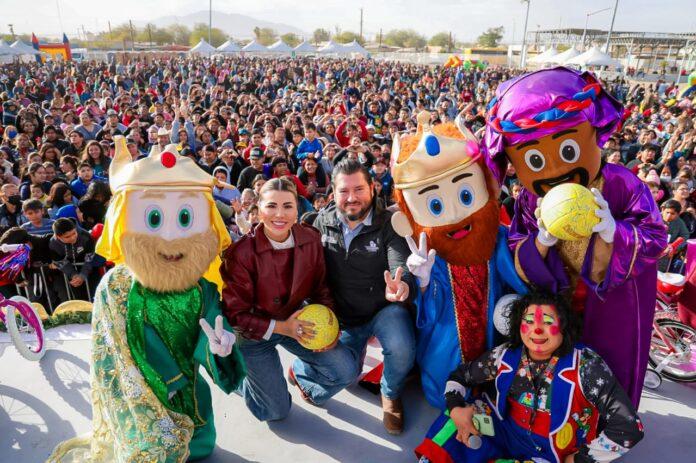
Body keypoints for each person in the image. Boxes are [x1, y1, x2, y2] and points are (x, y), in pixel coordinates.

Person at [48, 137, 245, 462]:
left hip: (191, 399)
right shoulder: (117, 287)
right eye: (154, 219)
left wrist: (220, 350)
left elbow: (212, 330)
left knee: (201, 446)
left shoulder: (202, 289)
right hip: (138, 399)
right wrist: (162, 381)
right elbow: (108, 352)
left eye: (184, 219)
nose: (169, 236)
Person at [484, 67, 667, 407]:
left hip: (611, 303)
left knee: (610, 367)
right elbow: (515, 248)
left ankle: (606, 426)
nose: (555, 170)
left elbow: (656, 237)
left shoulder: (622, 184)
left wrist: (617, 232)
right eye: (534, 160)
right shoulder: (528, 199)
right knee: (557, 371)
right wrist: (541, 241)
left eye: (568, 151)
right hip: (559, 301)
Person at [416, 292, 644, 463]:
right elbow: (460, 376)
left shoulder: (586, 364)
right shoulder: (506, 354)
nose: (536, 331)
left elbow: (630, 428)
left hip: (550, 451)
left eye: (547, 322)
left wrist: (581, 459)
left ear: (564, 327)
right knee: (451, 422)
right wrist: (456, 408)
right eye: (529, 322)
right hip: (505, 432)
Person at [221, 177, 357, 422]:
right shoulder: (240, 253)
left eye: (288, 206)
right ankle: (242, 380)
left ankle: (302, 377)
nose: (280, 214)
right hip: (253, 335)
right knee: (275, 412)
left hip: (297, 321)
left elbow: (321, 288)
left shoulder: (311, 239)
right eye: (271, 206)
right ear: (258, 209)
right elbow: (235, 314)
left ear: (298, 209)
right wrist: (282, 327)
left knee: (346, 370)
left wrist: (328, 326)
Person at [312, 158, 417, 434]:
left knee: (402, 344)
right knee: (343, 377)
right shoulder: (321, 222)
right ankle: (304, 372)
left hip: (383, 310)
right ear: (332, 193)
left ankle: (391, 394)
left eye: (359, 189)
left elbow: (400, 264)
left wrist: (402, 284)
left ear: (373, 188)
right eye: (344, 191)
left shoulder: (389, 223)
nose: (351, 198)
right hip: (344, 317)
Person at [48, 218, 98, 302]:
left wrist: (83, 275)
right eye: (67, 237)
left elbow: (90, 257)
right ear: (58, 236)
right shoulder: (53, 244)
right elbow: (60, 261)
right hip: (70, 272)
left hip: (90, 269)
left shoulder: (85, 236)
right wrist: (73, 275)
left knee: (95, 295)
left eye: (74, 233)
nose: (72, 237)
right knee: (79, 298)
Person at [658, 199, 689, 272]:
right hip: (649, 254)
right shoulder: (653, 218)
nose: (668, 216)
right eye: (667, 212)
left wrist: (674, 247)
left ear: (678, 214)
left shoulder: (679, 222)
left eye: (672, 214)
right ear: (663, 209)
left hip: (666, 257)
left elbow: (685, 235)